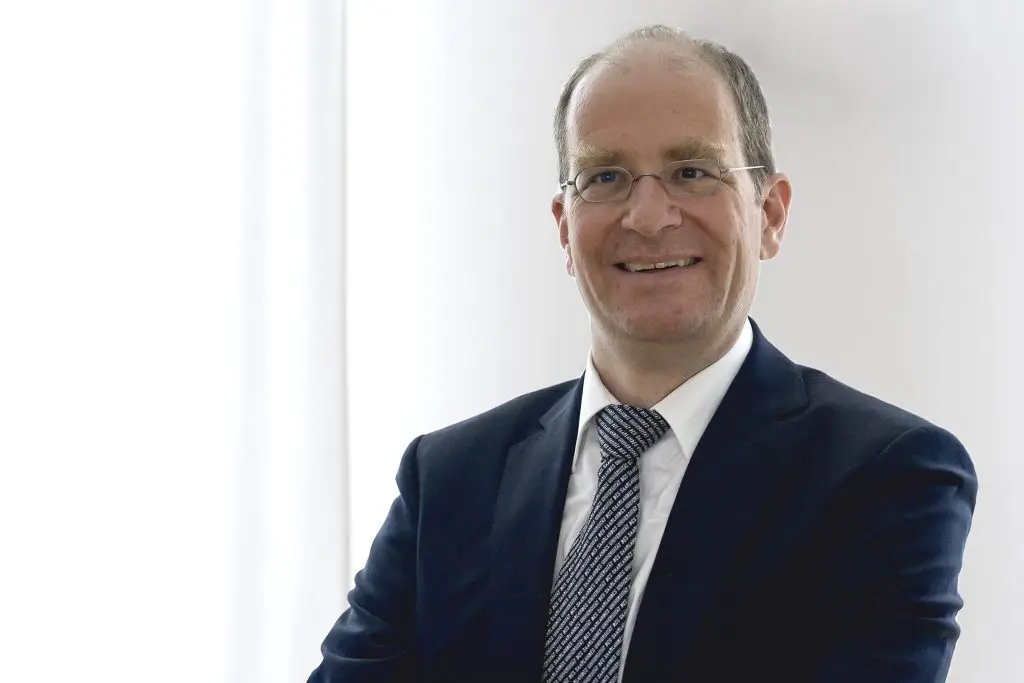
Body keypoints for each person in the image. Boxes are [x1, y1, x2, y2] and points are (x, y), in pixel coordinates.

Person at [307, 25, 977, 683]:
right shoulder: (448, 481)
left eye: (691, 170)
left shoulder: (888, 481)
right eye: (605, 176)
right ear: (565, 228)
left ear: (769, 214)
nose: (649, 216)